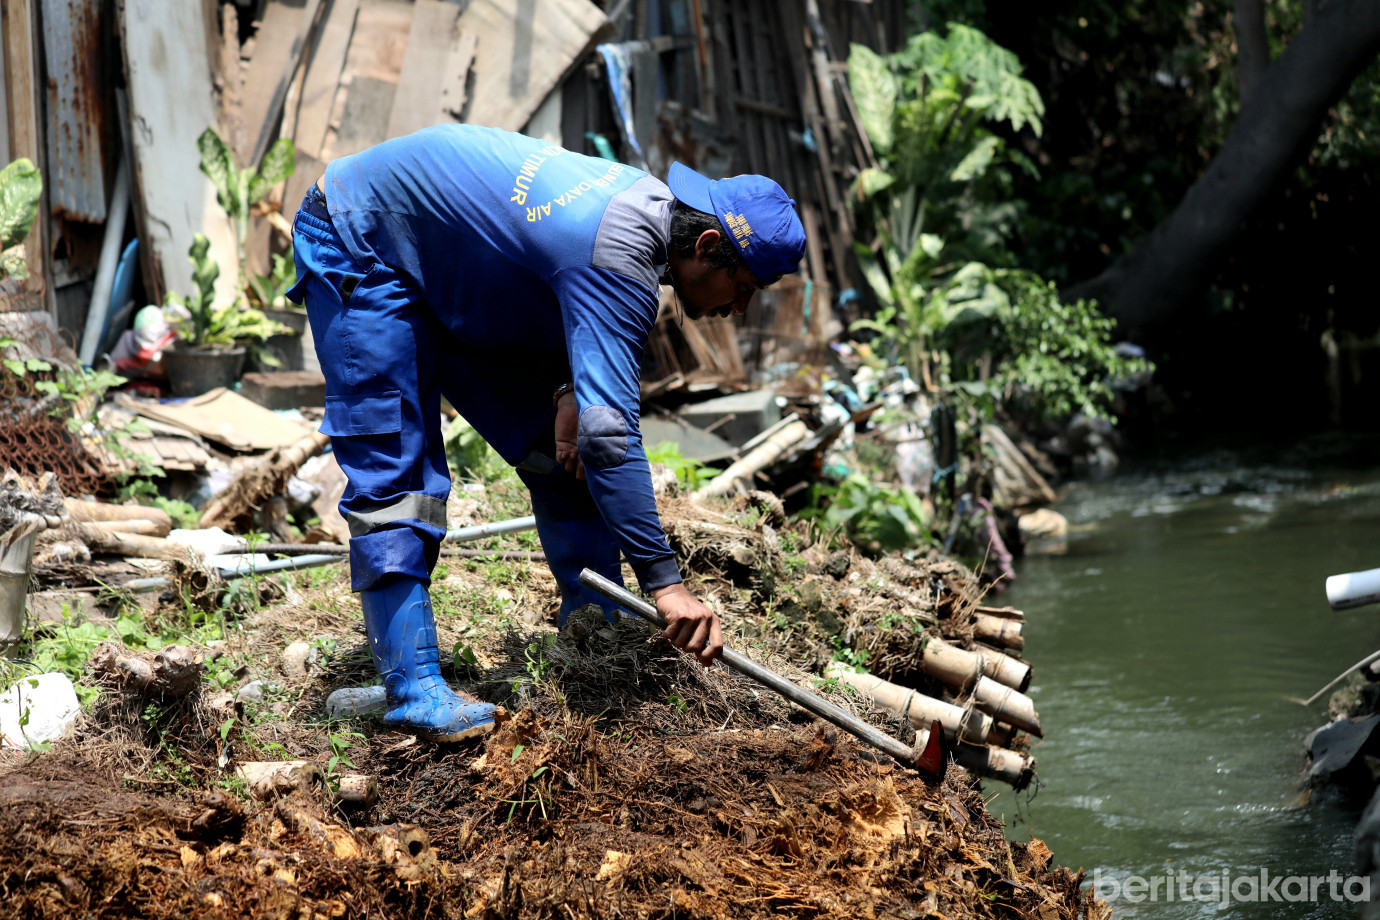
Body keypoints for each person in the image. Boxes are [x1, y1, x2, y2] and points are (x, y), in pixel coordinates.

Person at [288, 124, 806, 742]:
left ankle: (598, 644)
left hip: (452, 263)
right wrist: (667, 586)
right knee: (396, 467)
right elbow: (612, 436)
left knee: (560, 454)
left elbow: (539, 271)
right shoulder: (621, 248)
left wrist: (566, 388)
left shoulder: (643, 221)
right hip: (361, 237)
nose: (738, 308)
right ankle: (411, 688)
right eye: (742, 287)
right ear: (710, 243)